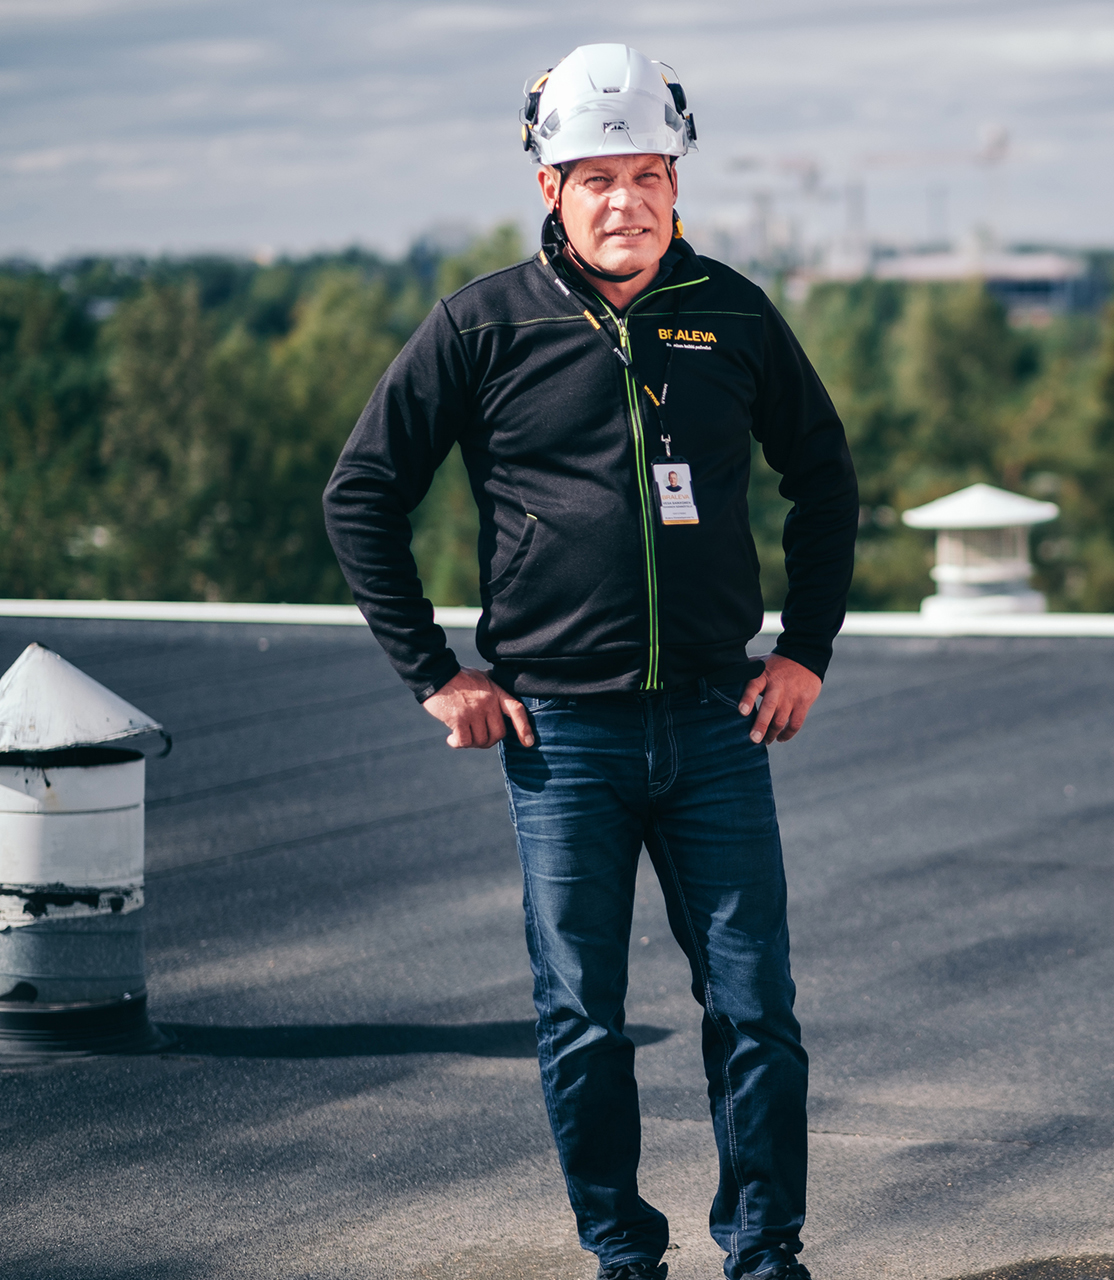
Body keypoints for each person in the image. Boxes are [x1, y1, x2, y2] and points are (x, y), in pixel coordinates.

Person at [323, 43, 856, 1280]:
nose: (626, 201)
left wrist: (807, 651)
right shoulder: (482, 323)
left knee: (756, 1013)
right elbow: (362, 496)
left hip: (720, 725)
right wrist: (436, 672)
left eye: (647, 174)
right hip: (560, 738)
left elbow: (824, 482)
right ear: (549, 188)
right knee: (581, 1020)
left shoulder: (732, 312)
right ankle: (622, 1251)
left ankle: (766, 1249)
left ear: (678, 180)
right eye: (595, 176)